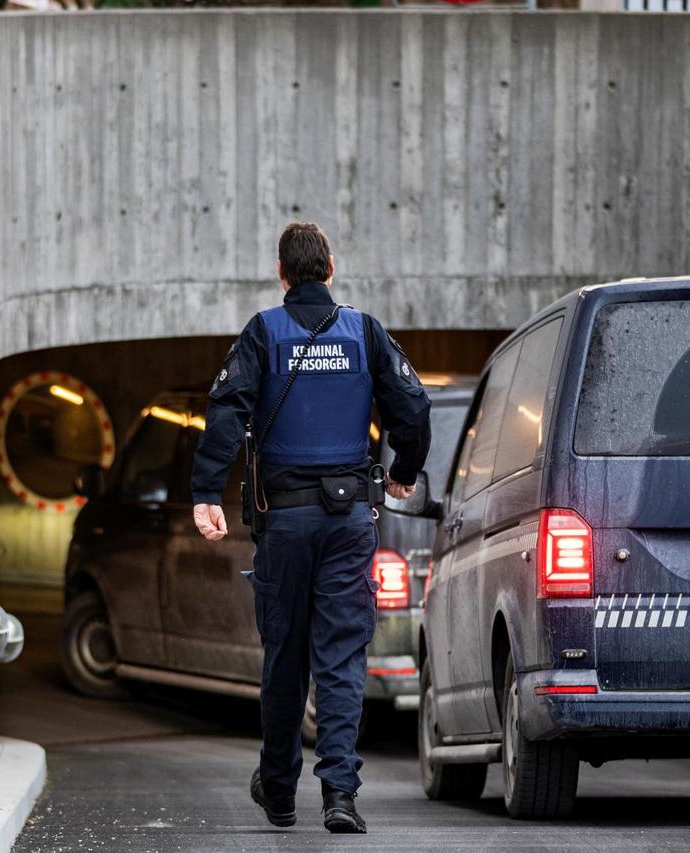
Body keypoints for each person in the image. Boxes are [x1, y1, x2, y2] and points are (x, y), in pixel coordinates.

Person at [190, 222, 431, 834]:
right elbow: (413, 405)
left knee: (285, 658)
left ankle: (279, 790)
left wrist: (205, 493)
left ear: (281, 272)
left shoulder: (263, 334)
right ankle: (341, 796)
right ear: (330, 266)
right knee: (342, 657)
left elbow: (225, 412)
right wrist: (403, 469)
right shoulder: (365, 332)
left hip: (285, 521)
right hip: (350, 519)